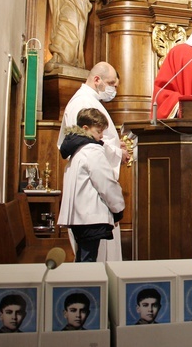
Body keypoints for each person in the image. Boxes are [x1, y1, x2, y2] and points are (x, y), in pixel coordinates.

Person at [58, 61, 130, 261]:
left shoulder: (89, 100)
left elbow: (92, 139)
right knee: (92, 262)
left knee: (87, 258)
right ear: (96, 79)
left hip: (87, 209)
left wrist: (116, 147)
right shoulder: (83, 102)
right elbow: (91, 147)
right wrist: (117, 153)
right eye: (111, 83)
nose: (114, 89)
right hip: (92, 206)